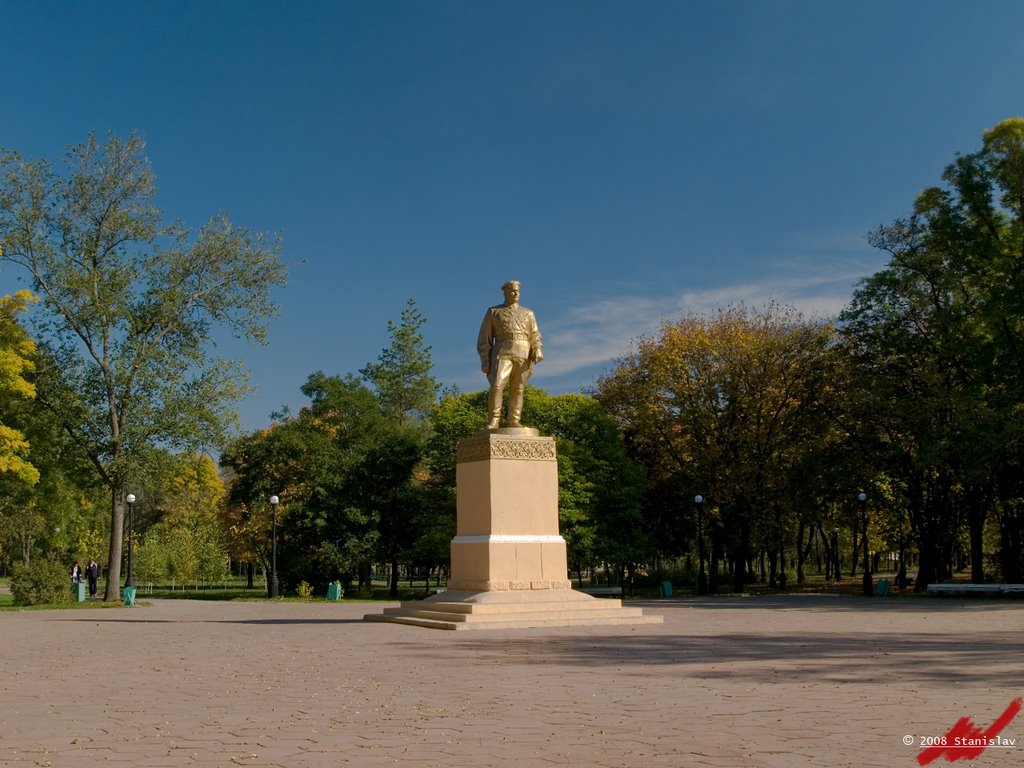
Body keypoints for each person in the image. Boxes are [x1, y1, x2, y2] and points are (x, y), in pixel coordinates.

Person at [477, 280, 543, 429]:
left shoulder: (528, 313)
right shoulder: (494, 312)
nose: (515, 293)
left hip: (523, 353)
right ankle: (494, 419)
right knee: (497, 385)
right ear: (505, 293)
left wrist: (537, 348)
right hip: (502, 352)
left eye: (517, 291)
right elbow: (484, 338)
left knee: (518, 388)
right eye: (512, 291)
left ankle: (514, 419)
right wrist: (485, 359)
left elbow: (535, 334)